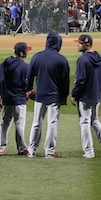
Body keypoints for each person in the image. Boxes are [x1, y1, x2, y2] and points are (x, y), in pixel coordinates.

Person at [26, 30, 70, 158]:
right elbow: (65, 82)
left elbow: (29, 76)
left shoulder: (37, 57)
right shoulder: (61, 60)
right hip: (54, 96)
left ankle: (31, 150)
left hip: (40, 95)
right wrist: (64, 96)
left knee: (36, 122)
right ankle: (49, 151)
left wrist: (29, 90)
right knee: (52, 123)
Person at [70, 34, 101, 158]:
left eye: (80, 43)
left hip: (85, 96)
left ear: (86, 44)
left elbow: (81, 80)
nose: (77, 44)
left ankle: (89, 151)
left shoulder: (82, 60)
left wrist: (74, 94)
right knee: (94, 120)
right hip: (96, 94)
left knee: (84, 122)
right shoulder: (100, 59)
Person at [0, 41, 31, 156]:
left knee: (4, 122)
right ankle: (22, 148)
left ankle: (0, 148)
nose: (27, 53)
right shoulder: (25, 66)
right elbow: (27, 84)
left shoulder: (4, 63)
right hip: (19, 99)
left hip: (6, 98)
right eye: (26, 51)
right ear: (21, 53)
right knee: (19, 124)